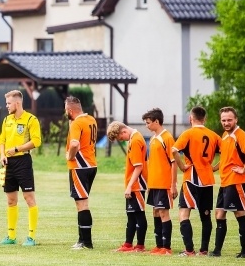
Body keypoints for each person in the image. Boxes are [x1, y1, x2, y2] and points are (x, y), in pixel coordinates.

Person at [172, 106, 221, 256]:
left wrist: (182, 166)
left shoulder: (188, 133)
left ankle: (189, 250)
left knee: (183, 213)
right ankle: (204, 250)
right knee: (205, 215)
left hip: (191, 177)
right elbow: (227, 154)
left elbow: (174, 150)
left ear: (190, 118)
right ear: (205, 119)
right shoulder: (214, 136)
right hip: (207, 179)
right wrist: (215, 167)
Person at [211, 107, 245, 258]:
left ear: (236, 119)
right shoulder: (225, 135)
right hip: (225, 182)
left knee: (239, 213)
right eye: (223, 120)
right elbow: (226, 158)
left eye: (229, 120)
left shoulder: (240, 135)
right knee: (219, 213)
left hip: (236, 181)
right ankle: (217, 250)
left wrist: (244, 170)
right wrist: (214, 168)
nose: (226, 122)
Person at [0, 90, 42, 246]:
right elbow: (1, 140)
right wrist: (2, 155)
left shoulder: (31, 119)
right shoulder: (6, 120)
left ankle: (31, 237)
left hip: (23, 162)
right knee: (11, 200)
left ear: (17, 103)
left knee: (29, 198)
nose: (7, 106)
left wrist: (17, 149)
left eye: (9, 103)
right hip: (8, 163)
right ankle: (11, 236)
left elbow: (36, 141)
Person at [107, 121, 148, 252]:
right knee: (131, 215)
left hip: (137, 184)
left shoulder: (135, 140)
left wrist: (130, 185)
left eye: (120, 138)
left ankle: (140, 245)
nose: (122, 140)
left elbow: (138, 166)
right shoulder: (132, 138)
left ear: (123, 131)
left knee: (139, 214)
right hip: (133, 184)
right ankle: (128, 244)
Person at [142, 108, 178, 255]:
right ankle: (159, 245)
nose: (147, 125)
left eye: (148, 122)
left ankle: (167, 247)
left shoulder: (167, 138)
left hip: (164, 183)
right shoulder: (153, 138)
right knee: (156, 212)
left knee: (164, 213)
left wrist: (173, 184)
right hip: (154, 184)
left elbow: (174, 162)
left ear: (157, 121)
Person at [65, 96, 98, 249]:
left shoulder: (76, 123)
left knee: (82, 204)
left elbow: (75, 143)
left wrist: (69, 156)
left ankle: (86, 242)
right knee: (83, 202)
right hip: (91, 165)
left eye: (65, 109)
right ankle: (82, 240)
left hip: (79, 167)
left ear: (70, 110)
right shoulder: (91, 119)